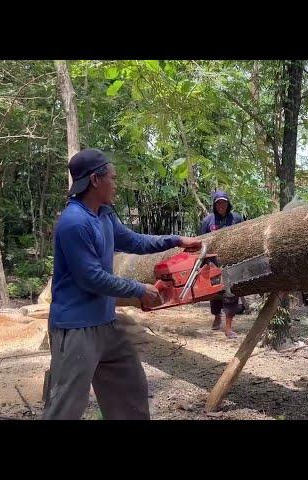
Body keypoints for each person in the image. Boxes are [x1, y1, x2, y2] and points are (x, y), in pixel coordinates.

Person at [42, 148, 201, 420]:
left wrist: (175, 241)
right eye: (112, 178)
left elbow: (134, 241)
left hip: (106, 324)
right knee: (65, 407)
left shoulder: (103, 215)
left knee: (130, 388)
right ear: (95, 180)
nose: (115, 184)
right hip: (77, 328)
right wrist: (140, 290)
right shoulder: (73, 222)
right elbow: (90, 278)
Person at [199, 190, 243, 338]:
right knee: (215, 293)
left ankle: (228, 327)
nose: (221, 205)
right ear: (214, 204)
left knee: (232, 293)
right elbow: (202, 242)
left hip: (232, 263)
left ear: (228, 203)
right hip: (214, 264)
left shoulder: (236, 218)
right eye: (218, 203)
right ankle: (217, 316)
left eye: (223, 202)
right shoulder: (207, 221)